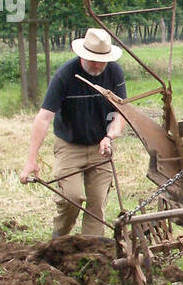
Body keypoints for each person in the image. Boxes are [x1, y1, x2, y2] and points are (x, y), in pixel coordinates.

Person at [20, 28, 127, 238]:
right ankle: (59, 239)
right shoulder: (65, 75)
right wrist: (31, 160)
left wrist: (110, 136)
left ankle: (91, 253)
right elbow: (43, 117)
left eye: (101, 60)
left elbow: (121, 112)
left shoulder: (114, 72)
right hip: (69, 146)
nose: (97, 65)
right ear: (81, 55)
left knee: (97, 204)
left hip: (100, 146)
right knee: (72, 198)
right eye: (92, 60)